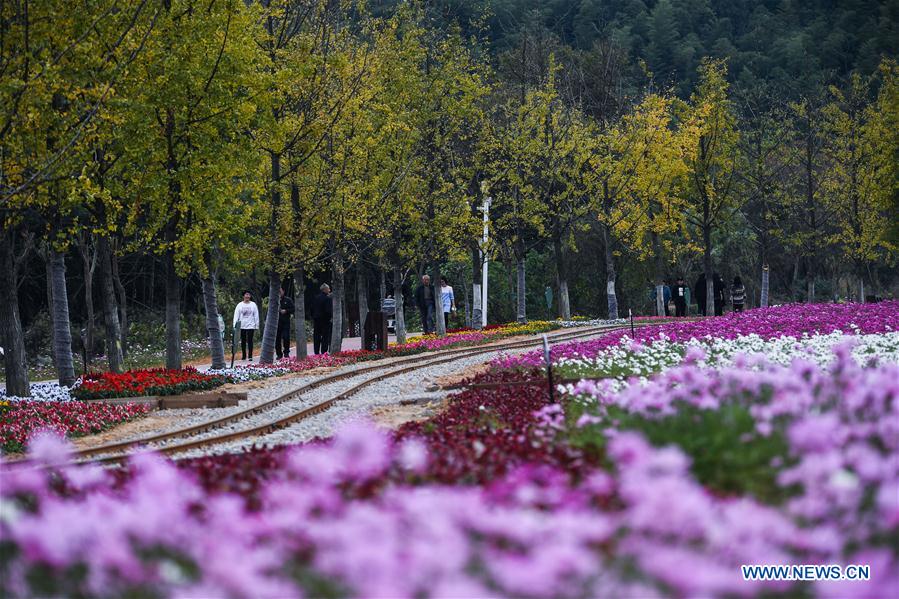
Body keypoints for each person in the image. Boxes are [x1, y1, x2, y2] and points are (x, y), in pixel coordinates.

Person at [233, 291, 259, 362]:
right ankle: (244, 355)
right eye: (246, 295)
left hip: (251, 325)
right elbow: (236, 315)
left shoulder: (253, 305)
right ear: (243, 296)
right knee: (243, 341)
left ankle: (250, 356)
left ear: (250, 296)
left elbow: (256, 315)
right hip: (242, 325)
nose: (247, 296)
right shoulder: (239, 305)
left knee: (250, 340)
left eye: (248, 295)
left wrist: (256, 325)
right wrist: (235, 325)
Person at [311, 284, 332, 354]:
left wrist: (313, 316)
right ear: (324, 290)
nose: (329, 290)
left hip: (316, 319)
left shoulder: (315, 298)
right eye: (328, 289)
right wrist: (330, 318)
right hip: (325, 320)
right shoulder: (327, 299)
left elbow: (312, 309)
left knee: (316, 336)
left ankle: (316, 352)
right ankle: (324, 351)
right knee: (325, 337)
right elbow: (328, 311)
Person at [276, 286, 295, 360]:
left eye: (280, 292)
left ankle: (286, 353)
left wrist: (286, 311)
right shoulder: (274, 301)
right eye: (278, 292)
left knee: (286, 337)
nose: (279, 293)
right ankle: (279, 354)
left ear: (283, 292)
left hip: (285, 322)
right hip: (276, 323)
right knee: (277, 339)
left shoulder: (288, 300)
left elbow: (293, 309)